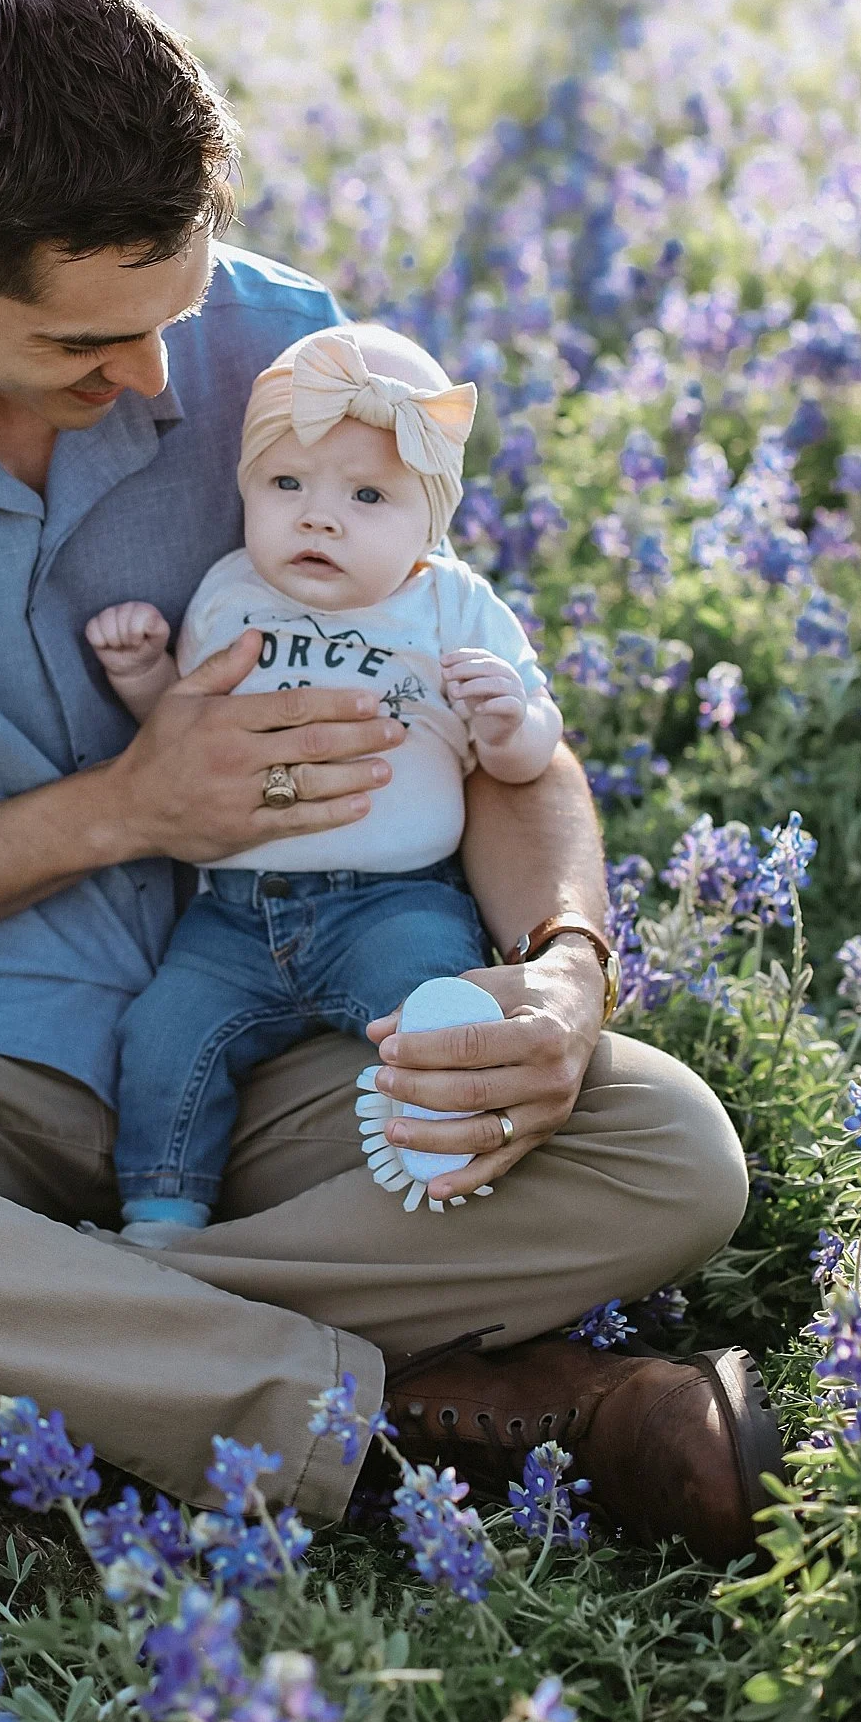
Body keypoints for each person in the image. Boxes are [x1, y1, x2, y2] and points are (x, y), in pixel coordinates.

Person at [0, 0, 778, 1580]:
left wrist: (568, 970)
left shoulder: (298, 365)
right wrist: (124, 807)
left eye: (175, 314)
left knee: (667, 1153)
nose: (152, 384)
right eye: (85, 346)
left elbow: (499, 731)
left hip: (285, 1020)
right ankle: (430, 1414)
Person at [87, 320, 563, 1243]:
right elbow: (181, 743)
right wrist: (144, 676)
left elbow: (530, 755)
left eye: (369, 495)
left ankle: (436, 1159)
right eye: (287, 484)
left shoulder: (453, 604)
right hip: (229, 912)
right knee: (162, 1036)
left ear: (433, 524)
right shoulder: (230, 593)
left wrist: (508, 722)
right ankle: (162, 1213)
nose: (318, 516)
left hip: (392, 902)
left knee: (436, 1020)